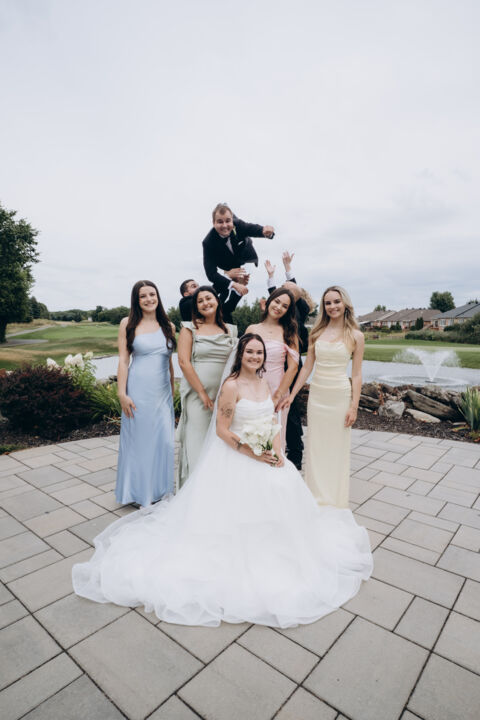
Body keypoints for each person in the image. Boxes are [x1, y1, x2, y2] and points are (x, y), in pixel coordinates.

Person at [72, 334, 372, 628]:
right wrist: (251, 452)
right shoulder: (231, 386)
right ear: (240, 355)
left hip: (267, 456)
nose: (255, 357)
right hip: (237, 457)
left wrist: (277, 451)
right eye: (250, 352)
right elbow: (222, 430)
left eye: (259, 353)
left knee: (284, 497)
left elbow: (271, 421)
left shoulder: (264, 383)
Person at [280, 286, 364, 508]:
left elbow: (356, 374)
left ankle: (334, 499)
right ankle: (314, 497)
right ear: (323, 307)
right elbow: (307, 367)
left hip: (339, 396)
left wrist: (354, 406)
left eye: (336, 301)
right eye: (328, 303)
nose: (332, 306)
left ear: (345, 304)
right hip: (318, 396)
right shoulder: (316, 333)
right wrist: (292, 394)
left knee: (337, 448)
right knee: (316, 447)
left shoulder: (356, 336)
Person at [115, 280, 176, 507]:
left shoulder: (168, 325)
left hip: (163, 393)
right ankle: (138, 492)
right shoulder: (127, 323)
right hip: (138, 390)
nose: (149, 299)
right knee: (140, 441)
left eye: (152, 294)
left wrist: (172, 391)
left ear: (158, 297)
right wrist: (122, 393)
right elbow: (123, 360)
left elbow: (169, 363)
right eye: (143, 296)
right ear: (137, 300)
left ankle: (159, 489)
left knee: (164, 442)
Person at [176, 285, 237, 487]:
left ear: (217, 300)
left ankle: (216, 489)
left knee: (220, 444)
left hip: (224, 396)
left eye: (208, 298)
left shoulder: (230, 330)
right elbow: (183, 362)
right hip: (198, 395)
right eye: (200, 301)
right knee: (197, 441)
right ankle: (193, 489)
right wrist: (202, 392)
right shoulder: (189, 329)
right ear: (195, 306)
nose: (205, 303)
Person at [265, 251, 313, 468]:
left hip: (290, 367)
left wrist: (288, 271)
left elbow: (289, 293)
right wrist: (273, 276)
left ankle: (295, 453)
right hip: (273, 368)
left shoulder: (299, 309)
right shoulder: (284, 309)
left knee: (289, 408)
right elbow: (280, 297)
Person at [245, 288, 299, 449]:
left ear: (288, 311)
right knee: (251, 436)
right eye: (277, 301)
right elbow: (242, 361)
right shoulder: (252, 329)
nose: (279, 307)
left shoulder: (289, 333)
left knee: (274, 441)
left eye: (285, 306)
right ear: (269, 301)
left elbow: (293, 368)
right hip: (252, 389)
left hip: (277, 389)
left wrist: (277, 396)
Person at [202, 203, 275, 316]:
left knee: (239, 281)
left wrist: (266, 232)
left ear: (232, 220)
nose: (225, 225)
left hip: (244, 255)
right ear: (213, 223)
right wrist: (233, 283)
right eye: (220, 222)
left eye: (228, 221)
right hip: (225, 263)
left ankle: (233, 286)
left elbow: (252, 228)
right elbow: (211, 274)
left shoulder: (238, 224)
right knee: (227, 285)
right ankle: (227, 300)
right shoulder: (208, 242)